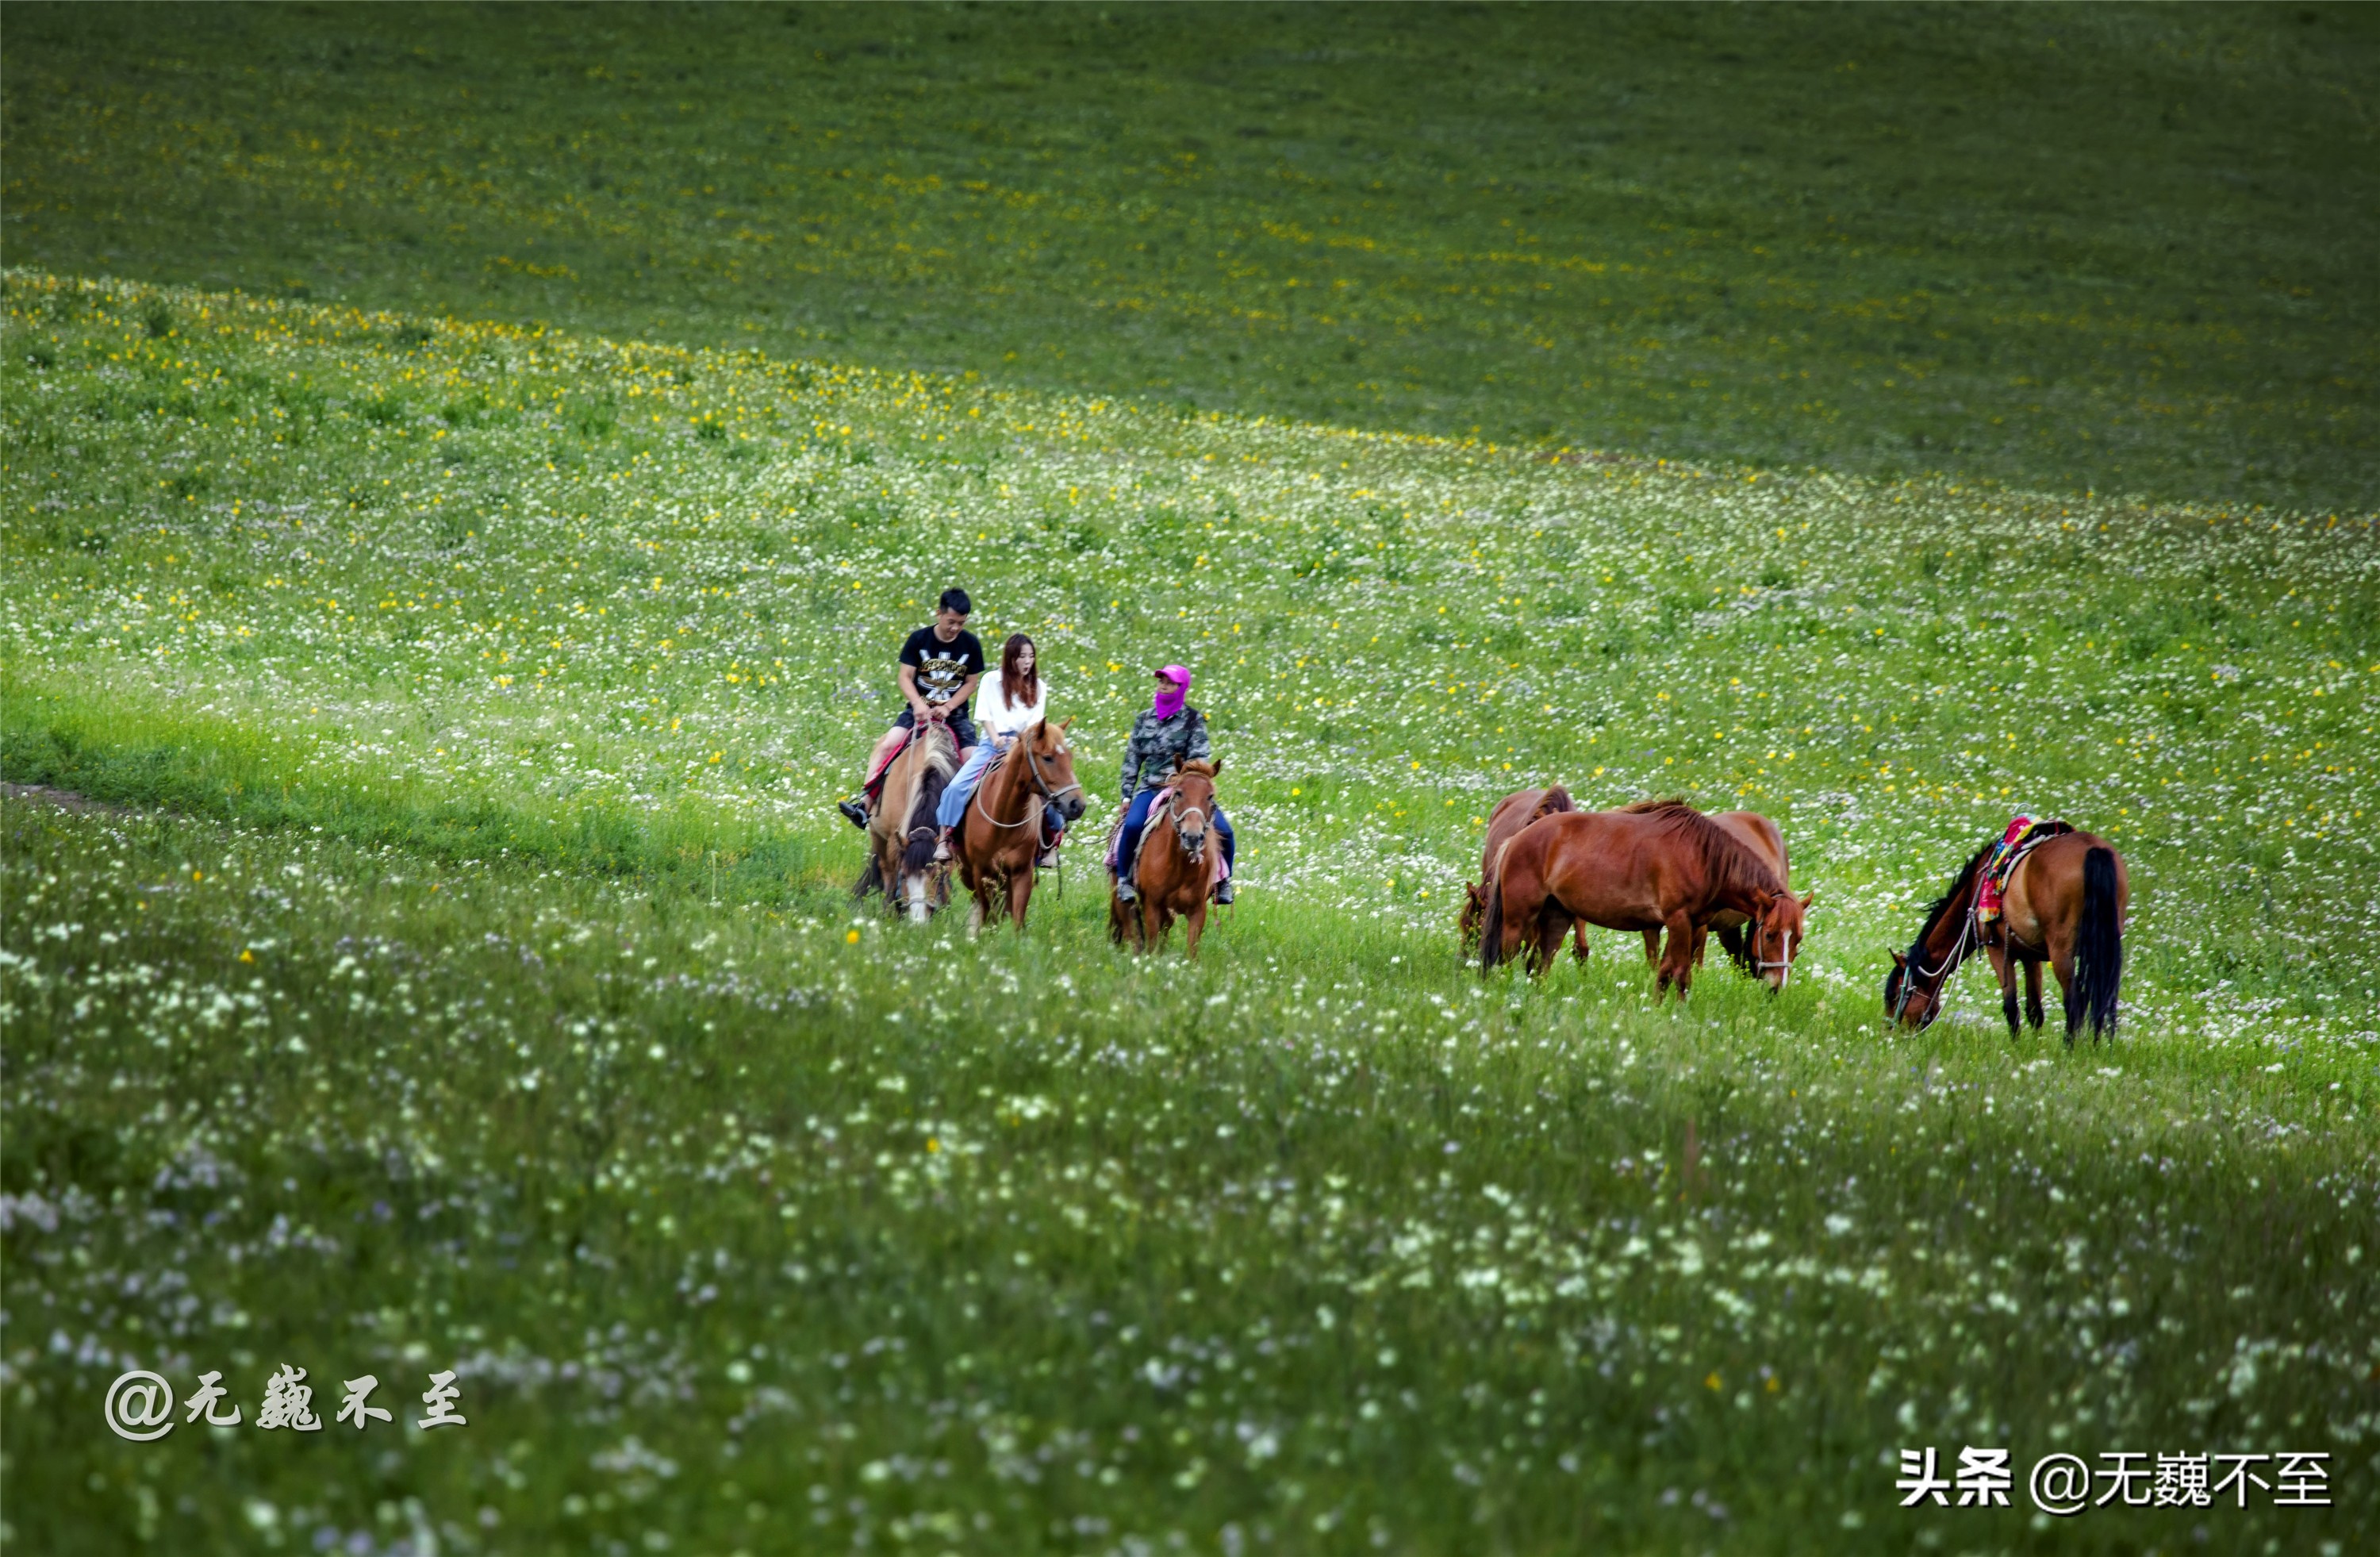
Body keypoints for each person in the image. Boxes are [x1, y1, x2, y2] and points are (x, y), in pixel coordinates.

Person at [836, 588, 984, 828]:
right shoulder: (919, 640)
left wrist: (949, 706)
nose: (956, 628)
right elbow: (905, 677)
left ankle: (968, 821)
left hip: (955, 716)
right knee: (887, 745)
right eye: (951, 622)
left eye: (961, 623)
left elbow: (971, 682)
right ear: (939, 613)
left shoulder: (971, 644)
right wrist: (917, 703)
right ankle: (865, 804)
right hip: (918, 712)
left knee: (973, 761)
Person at [933, 633, 1063, 865]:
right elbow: (984, 714)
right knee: (957, 786)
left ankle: (1050, 845)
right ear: (1010, 657)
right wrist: (996, 739)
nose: (1027, 662)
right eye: (1022, 656)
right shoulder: (992, 680)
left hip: (1024, 747)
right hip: (992, 744)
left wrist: (1021, 742)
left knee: (1049, 789)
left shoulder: (1039, 687)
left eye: (1031, 656)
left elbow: (1036, 722)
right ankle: (945, 839)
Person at [1111, 664, 1234, 905]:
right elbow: (1132, 759)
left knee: (1226, 831)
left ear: (1182, 687)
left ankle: (1223, 882)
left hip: (1186, 789)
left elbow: (1200, 758)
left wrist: (1183, 780)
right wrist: (1127, 796)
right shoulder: (1144, 720)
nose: (1164, 686)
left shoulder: (1193, 720)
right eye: (1161, 682)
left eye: (1170, 682)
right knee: (1133, 825)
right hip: (1151, 787)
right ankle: (1125, 880)